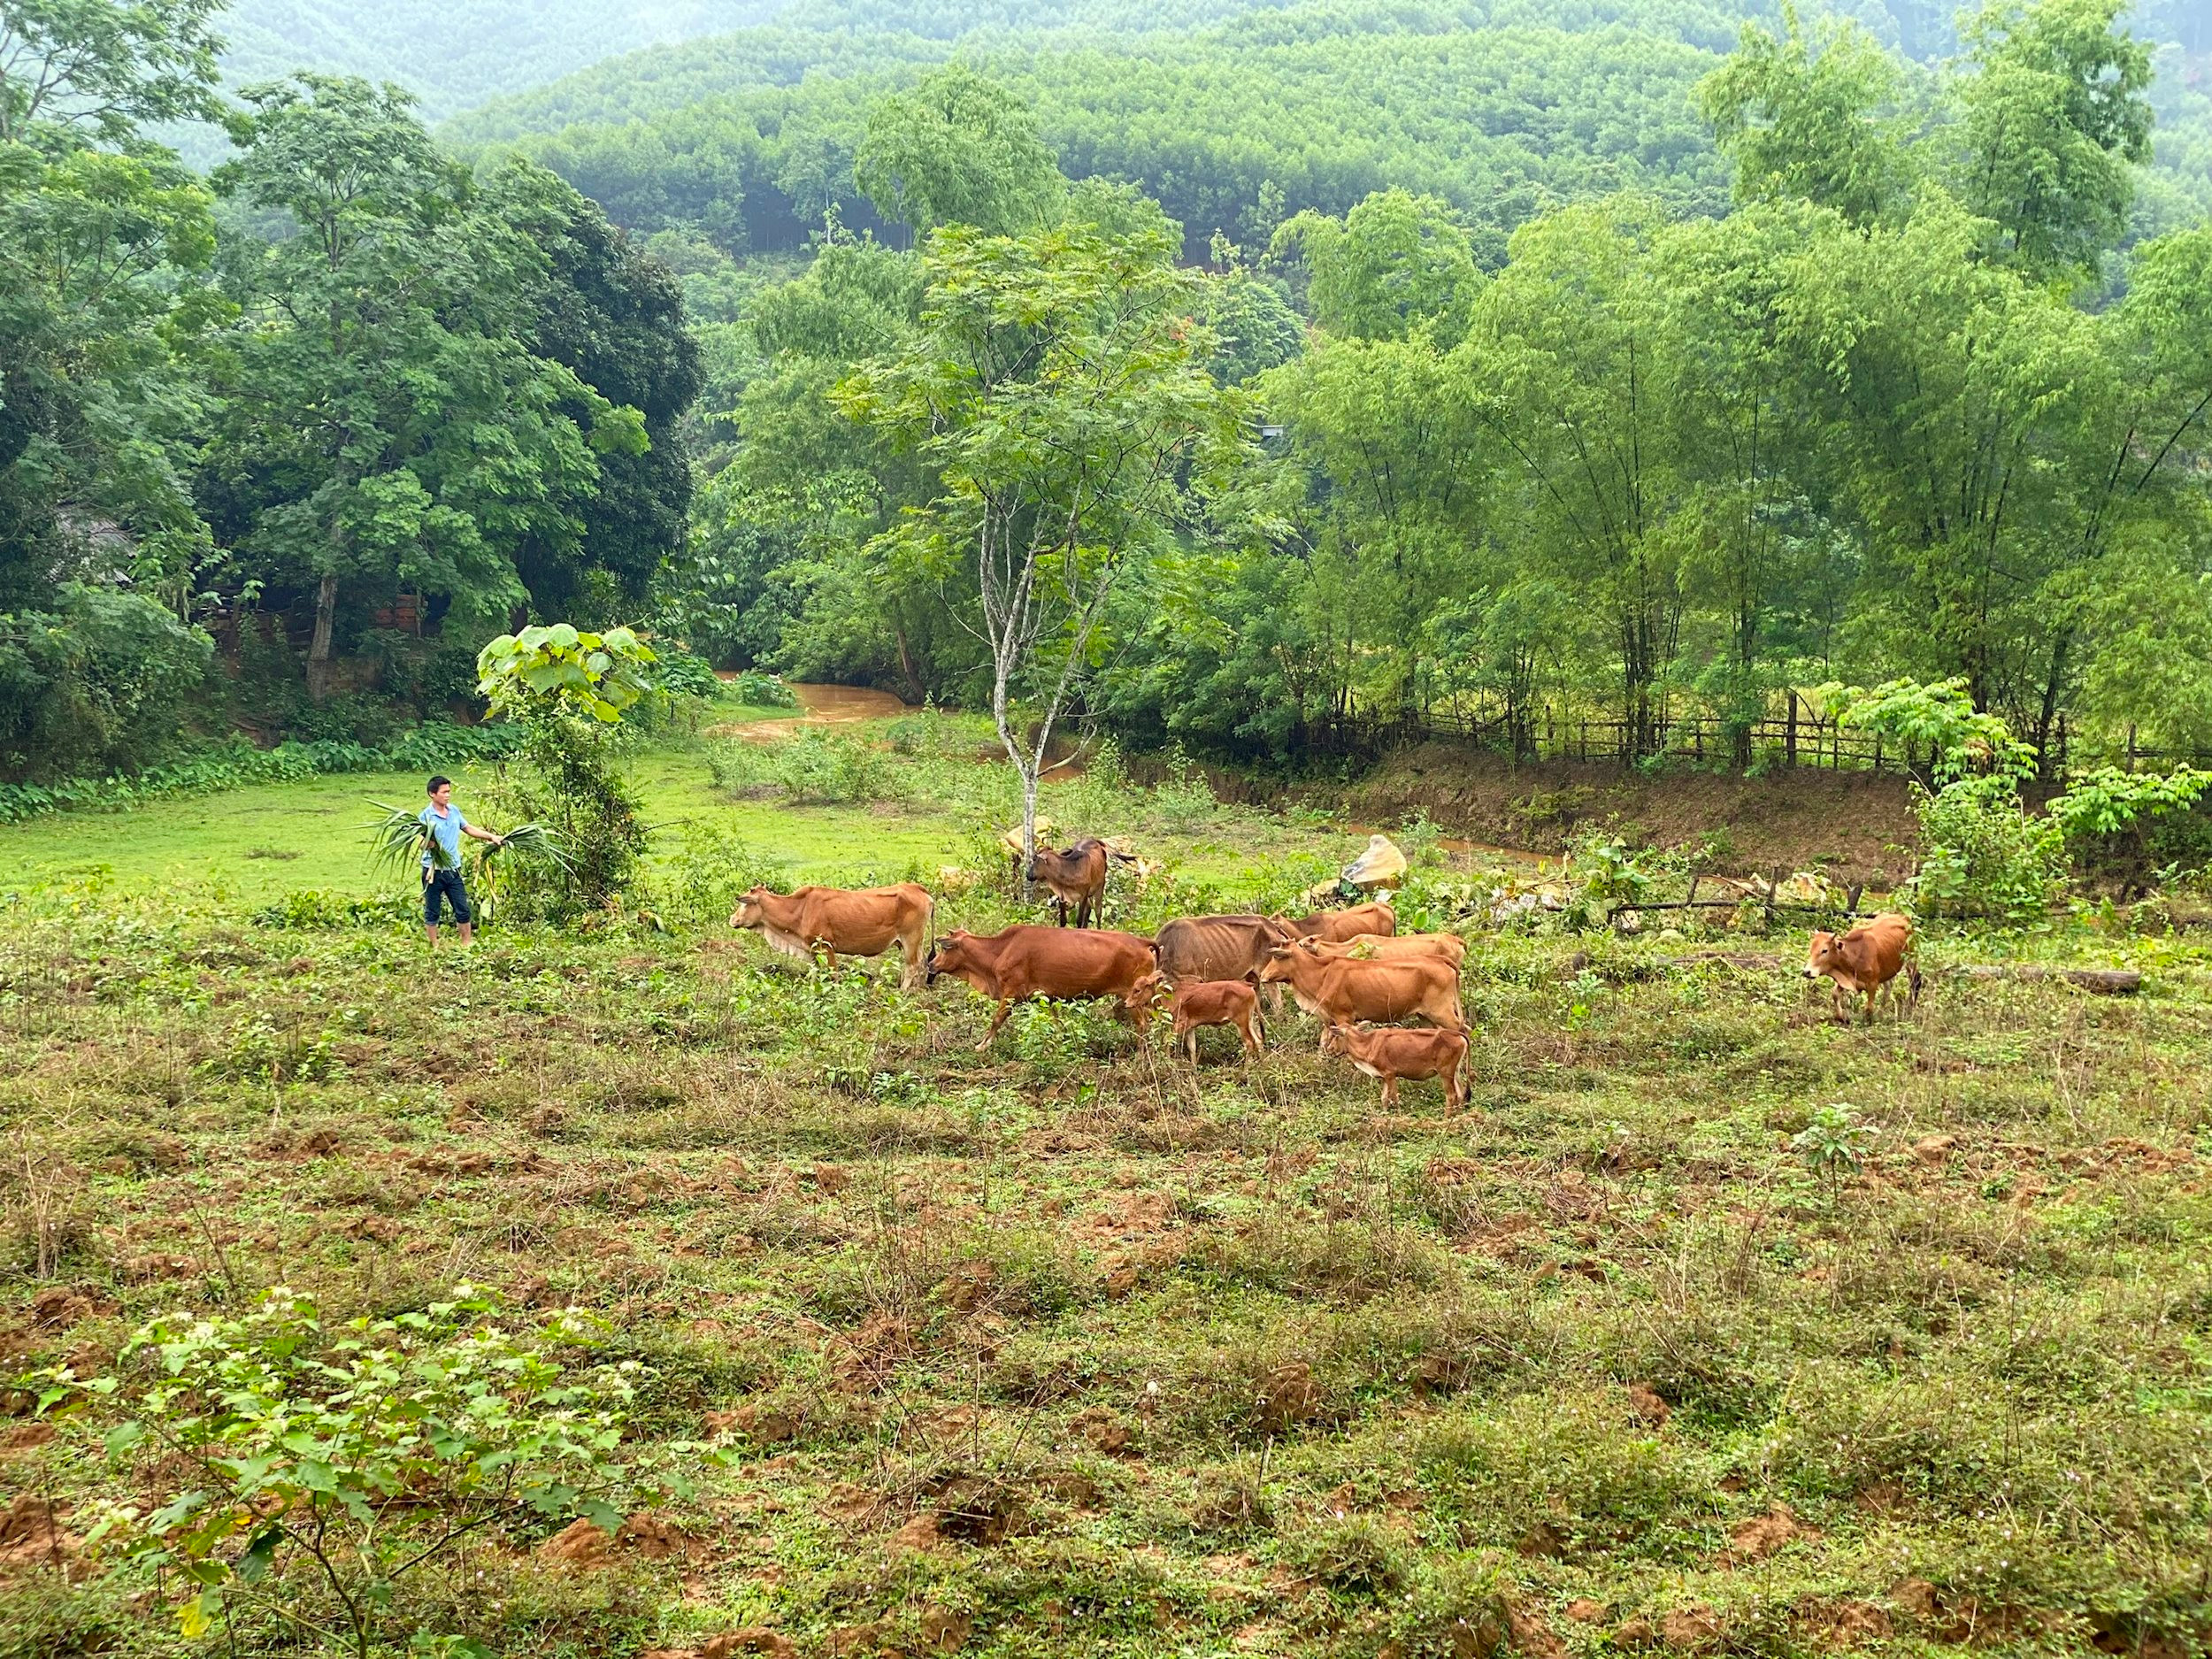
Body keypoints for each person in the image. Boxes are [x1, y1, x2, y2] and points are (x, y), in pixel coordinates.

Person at [419, 775, 504, 945]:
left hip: (453, 869)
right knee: (432, 910)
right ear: (432, 794)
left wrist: (491, 837)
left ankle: (466, 944)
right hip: (433, 871)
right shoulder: (425, 817)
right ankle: (434, 945)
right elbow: (421, 844)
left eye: (449, 792)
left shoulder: (454, 811)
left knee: (463, 909)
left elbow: (468, 828)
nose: (448, 795)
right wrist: (430, 843)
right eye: (444, 792)